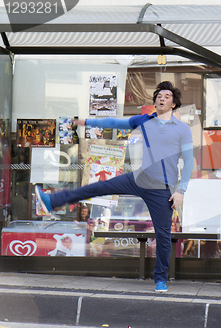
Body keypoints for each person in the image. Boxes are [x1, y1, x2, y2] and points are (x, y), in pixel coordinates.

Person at [34, 81, 194, 293]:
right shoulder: (144, 120)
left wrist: (181, 191)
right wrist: (85, 121)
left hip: (162, 188)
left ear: (173, 104)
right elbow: (115, 122)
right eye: (158, 96)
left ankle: (160, 279)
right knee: (98, 187)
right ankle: (53, 201)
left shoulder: (182, 129)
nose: (161, 98)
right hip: (139, 178)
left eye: (166, 96)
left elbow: (190, 161)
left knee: (163, 235)